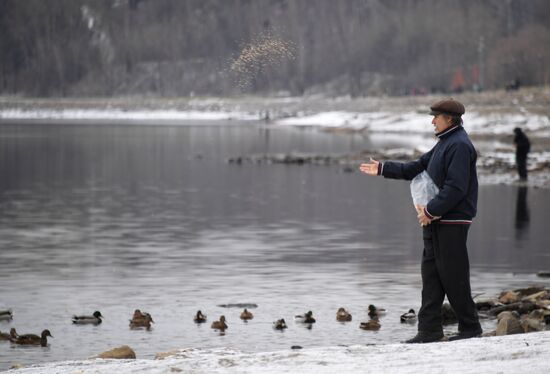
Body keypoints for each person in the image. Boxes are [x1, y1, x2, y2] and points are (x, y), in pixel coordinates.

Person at [359, 98, 482, 343]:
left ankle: (470, 329)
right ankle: (429, 332)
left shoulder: (459, 145)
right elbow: (415, 167)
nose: (432, 120)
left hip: (451, 221)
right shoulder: (444, 143)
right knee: (432, 276)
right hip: (436, 220)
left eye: (436, 116)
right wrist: (384, 168)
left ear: (449, 118)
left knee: (453, 276)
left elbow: (456, 188)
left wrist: (430, 210)